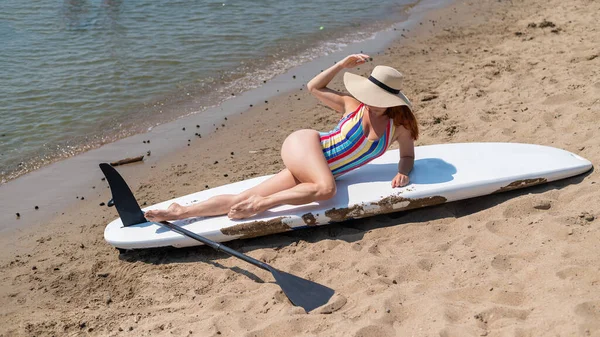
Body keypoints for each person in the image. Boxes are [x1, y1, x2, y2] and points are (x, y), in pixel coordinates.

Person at [145, 53, 418, 222]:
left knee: (243, 198)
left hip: (316, 171)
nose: (369, 102)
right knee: (326, 190)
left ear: (391, 101)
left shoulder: (399, 127)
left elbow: (406, 155)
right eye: (369, 95)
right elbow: (314, 86)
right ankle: (262, 205)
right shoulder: (352, 104)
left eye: (377, 99)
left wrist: (403, 172)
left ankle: (181, 212)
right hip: (307, 146)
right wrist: (341, 64)